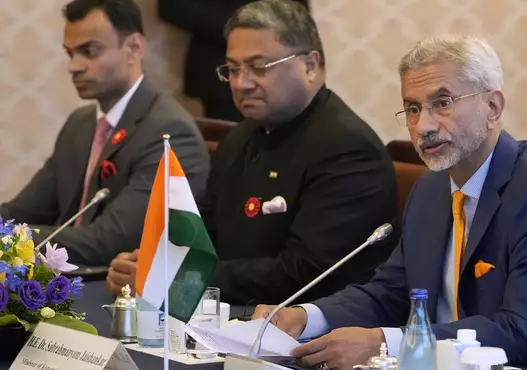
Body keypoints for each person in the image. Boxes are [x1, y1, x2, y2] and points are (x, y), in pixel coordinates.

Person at [252, 34, 527, 370]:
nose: (423, 126)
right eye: (412, 109)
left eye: (443, 103)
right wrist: (306, 316)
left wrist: (386, 343)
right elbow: (391, 293)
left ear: (493, 107)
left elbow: (523, 330)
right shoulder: (432, 189)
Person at [106, 0, 398, 305]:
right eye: (233, 69)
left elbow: (305, 274)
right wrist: (147, 264)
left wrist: (176, 277)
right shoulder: (239, 136)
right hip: (230, 315)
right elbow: (203, 236)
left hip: (310, 329)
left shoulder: (347, 149)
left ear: (310, 65)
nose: (241, 83)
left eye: (259, 68)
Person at [0, 0, 209, 268]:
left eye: (89, 51)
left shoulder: (169, 133)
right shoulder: (80, 124)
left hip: (114, 290)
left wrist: (13, 238)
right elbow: (22, 211)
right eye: (70, 53)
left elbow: (107, 242)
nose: (74, 66)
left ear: (134, 47)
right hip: (66, 279)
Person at [157, 0, 309, 121]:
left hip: (280, 72)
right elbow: (171, 6)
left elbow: (299, 12)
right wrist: (239, 30)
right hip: (222, 74)